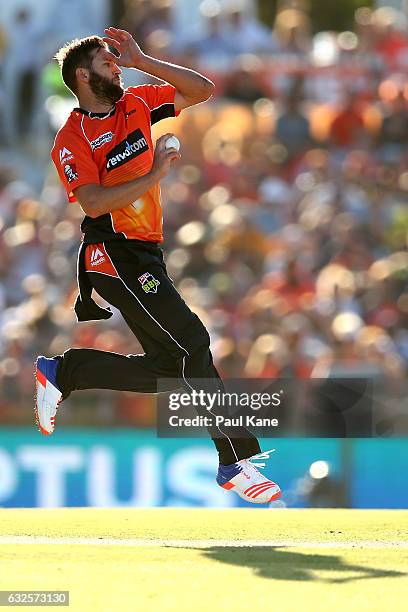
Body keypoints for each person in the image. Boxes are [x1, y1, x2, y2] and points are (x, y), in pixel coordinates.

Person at [34, 27, 281, 505]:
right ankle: (235, 461)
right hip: (112, 252)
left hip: (147, 251)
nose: (118, 67)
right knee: (193, 341)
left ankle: (67, 372)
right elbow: (92, 202)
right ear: (83, 77)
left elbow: (201, 90)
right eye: (109, 63)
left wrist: (144, 59)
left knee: (172, 368)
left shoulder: (137, 103)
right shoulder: (71, 137)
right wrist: (154, 174)